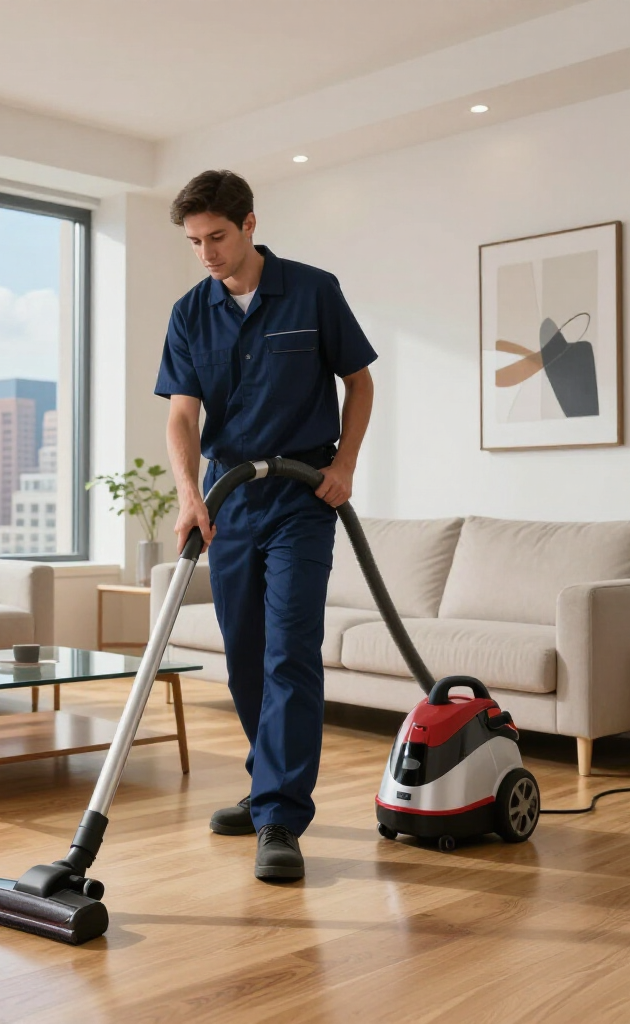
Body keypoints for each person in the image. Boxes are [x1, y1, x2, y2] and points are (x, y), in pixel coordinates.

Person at [155, 170, 376, 881]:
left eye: (217, 237)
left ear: (250, 224)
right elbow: (183, 415)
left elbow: (360, 381)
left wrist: (343, 464)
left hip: (303, 496)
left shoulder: (313, 291)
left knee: (289, 651)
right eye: (194, 242)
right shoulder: (191, 313)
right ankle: (263, 790)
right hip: (230, 499)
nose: (207, 253)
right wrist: (190, 495)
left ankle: (280, 814)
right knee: (245, 653)